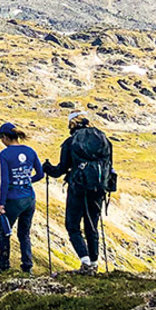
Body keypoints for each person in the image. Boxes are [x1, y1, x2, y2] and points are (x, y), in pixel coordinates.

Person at [43, 111, 112, 273]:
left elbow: (60, 169)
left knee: (72, 225)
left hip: (78, 187)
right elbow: (110, 165)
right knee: (92, 226)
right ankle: (94, 264)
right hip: (99, 188)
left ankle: (85, 261)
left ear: (71, 125)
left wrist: (47, 168)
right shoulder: (104, 140)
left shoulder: (70, 142)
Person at [0, 122, 45, 275]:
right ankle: (27, 265)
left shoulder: (5, 154)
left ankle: (3, 265)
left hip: (13, 199)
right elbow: (40, 174)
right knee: (24, 233)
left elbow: (5, 181)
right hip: (29, 197)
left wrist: (1, 204)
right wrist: (27, 181)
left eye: (1, 138)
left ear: (5, 137)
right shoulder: (30, 151)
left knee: (4, 232)